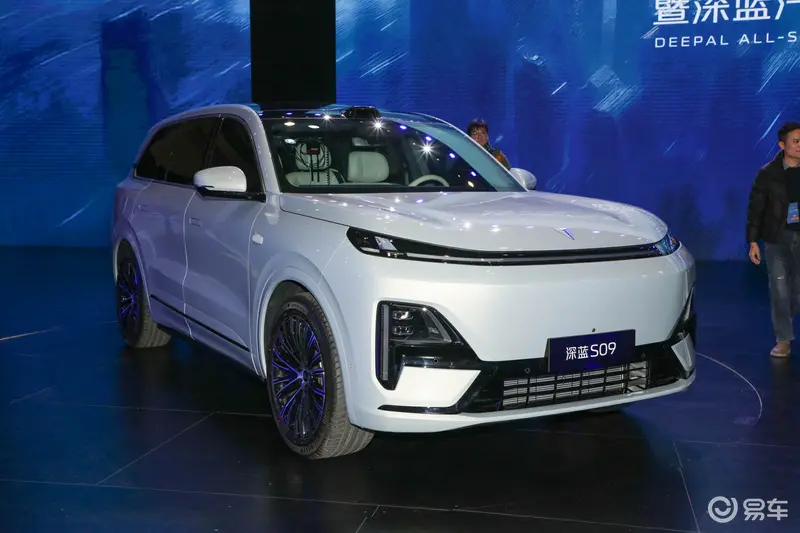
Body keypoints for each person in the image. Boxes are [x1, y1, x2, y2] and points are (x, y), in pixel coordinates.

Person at [746, 121, 800, 358]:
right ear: (782, 145)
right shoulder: (768, 174)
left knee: (796, 293)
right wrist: (753, 241)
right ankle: (783, 339)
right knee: (779, 290)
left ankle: (785, 321)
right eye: (796, 141)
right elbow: (756, 208)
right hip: (777, 238)